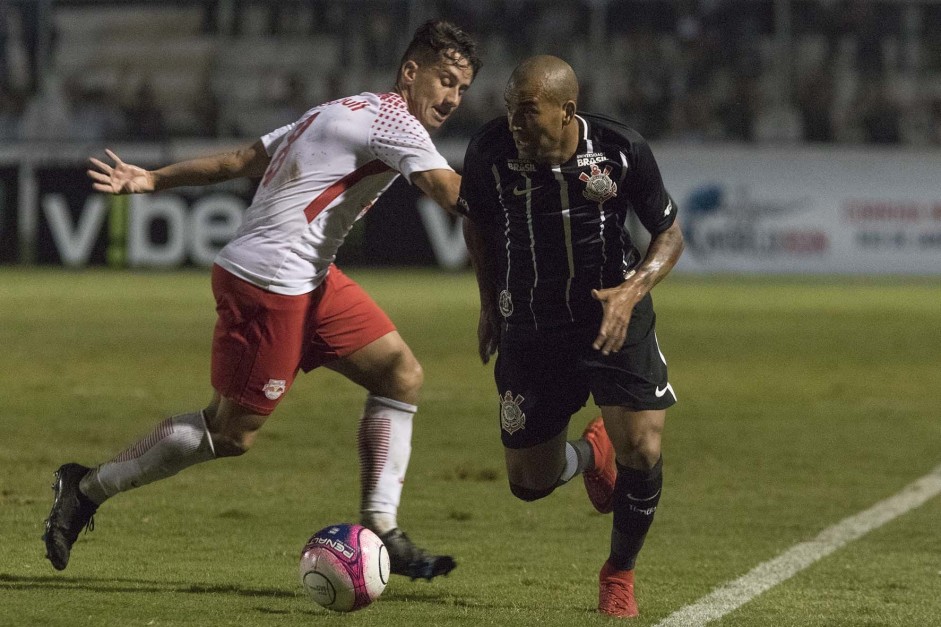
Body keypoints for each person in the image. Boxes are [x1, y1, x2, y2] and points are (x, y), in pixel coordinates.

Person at [42, 19, 482, 581]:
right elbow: (450, 194)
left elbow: (239, 160)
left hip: (310, 278)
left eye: (462, 89)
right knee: (230, 432)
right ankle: (85, 487)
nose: (451, 98)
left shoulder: (340, 109)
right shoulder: (398, 120)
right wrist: (533, 195)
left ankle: (382, 529)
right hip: (269, 282)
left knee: (400, 373)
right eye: (445, 80)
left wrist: (153, 181)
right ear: (410, 71)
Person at [458, 55, 684, 618]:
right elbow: (477, 222)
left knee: (644, 447)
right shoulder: (490, 152)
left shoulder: (620, 148)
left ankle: (619, 575)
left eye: (527, 113)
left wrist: (632, 292)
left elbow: (668, 233)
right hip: (531, 327)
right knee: (529, 483)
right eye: (510, 111)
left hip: (612, 317)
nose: (515, 124)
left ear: (566, 111)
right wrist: (489, 305)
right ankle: (590, 452)